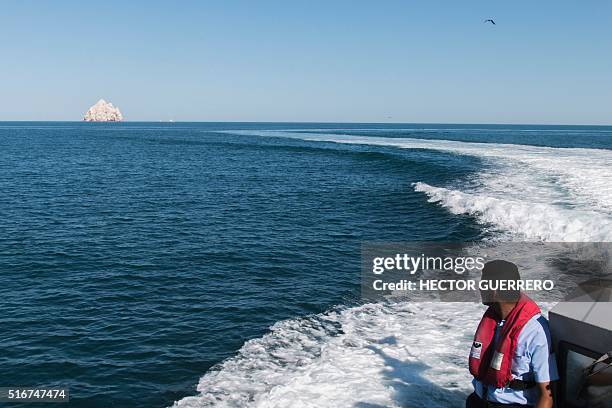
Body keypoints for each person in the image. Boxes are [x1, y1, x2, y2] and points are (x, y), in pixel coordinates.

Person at [466, 260, 558, 408]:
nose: (480, 288)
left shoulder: (536, 331)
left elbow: (546, 395)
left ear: (494, 290)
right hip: (478, 401)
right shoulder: (493, 319)